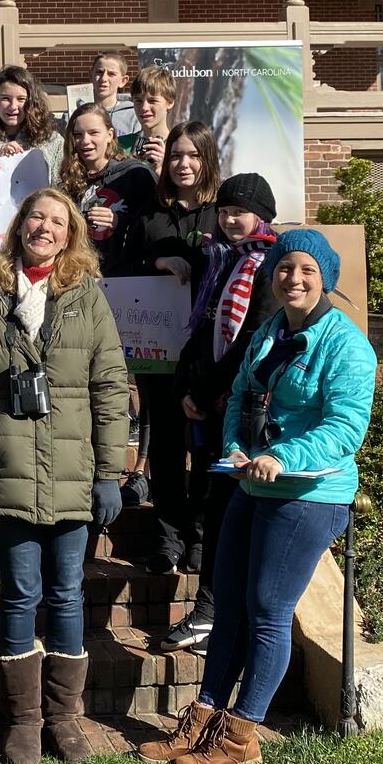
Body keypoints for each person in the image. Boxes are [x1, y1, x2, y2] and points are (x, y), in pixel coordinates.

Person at [138, 230, 375, 764]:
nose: (294, 279)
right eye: (285, 268)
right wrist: (238, 448)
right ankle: (204, 717)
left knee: (268, 612)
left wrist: (284, 456)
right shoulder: (268, 332)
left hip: (308, 496)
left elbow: (344, 428)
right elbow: (242, 396)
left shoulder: (346, 345)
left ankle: (241, 736)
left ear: (326, 280)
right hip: (251, 485)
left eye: (307, 271)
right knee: (229, 609)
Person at [0, 189, 130, 764]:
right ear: (19, 226)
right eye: (35, 218)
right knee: (21, 591)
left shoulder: (86, 299)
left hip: (73, 471)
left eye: (56, 221)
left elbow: (109, 386)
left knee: (68, 590)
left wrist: (110, 472)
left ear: (70, 233)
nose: (43, 228)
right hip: (8, 465)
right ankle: (24, 720)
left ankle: (64, 717)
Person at [155, 173, 278, 658]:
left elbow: (250, 342)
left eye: (240, 211)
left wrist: (206, 393)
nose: (230, 219)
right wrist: (188, 385)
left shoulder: (267, 267)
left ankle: (215, 614)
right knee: (211, 506)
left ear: (261, 216)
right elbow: (201, 326)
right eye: (224, 210)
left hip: (240, 412)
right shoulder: (219, 260)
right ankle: (212, 612)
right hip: (211, 407)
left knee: (224, 512)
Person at [121, 120, 222, 575]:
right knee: (162, 444)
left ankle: (199, 539)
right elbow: (121, 270)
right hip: (158, 351)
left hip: (207, 354)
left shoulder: (222, 214)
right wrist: (156, 260)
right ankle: (167, 540)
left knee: (203, 449)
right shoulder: (149, 214)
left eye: (193, 155)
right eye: (177, 155)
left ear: (207, 160)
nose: (183, 164)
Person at [57, 103, 157, 277]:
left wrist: (120, 221)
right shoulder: (68, 182)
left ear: (110, 135)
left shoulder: (135, 174)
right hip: (83, 279)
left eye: (93, 133)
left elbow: (155, 227)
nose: (85, 141)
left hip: (129, 280)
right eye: (78, 135)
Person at [0, 65, 63, 182]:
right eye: (5, 99)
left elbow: (60, 188)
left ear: (31, 102)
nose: (13, 107)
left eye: (21, 99)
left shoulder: (52, 140)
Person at [122, 64, 175, 171]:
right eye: (138, 100)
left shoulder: (179, 148)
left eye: (152, 101)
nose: (144, 107)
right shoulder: (120, 145)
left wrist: (163, 168)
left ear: (170, 102)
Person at [90, 50, 140, 143]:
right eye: (99, 72)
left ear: (123, 81)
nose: (104, 78)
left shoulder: (135, 116)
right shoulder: (77, 114)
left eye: (111, 74)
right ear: (91, 75)